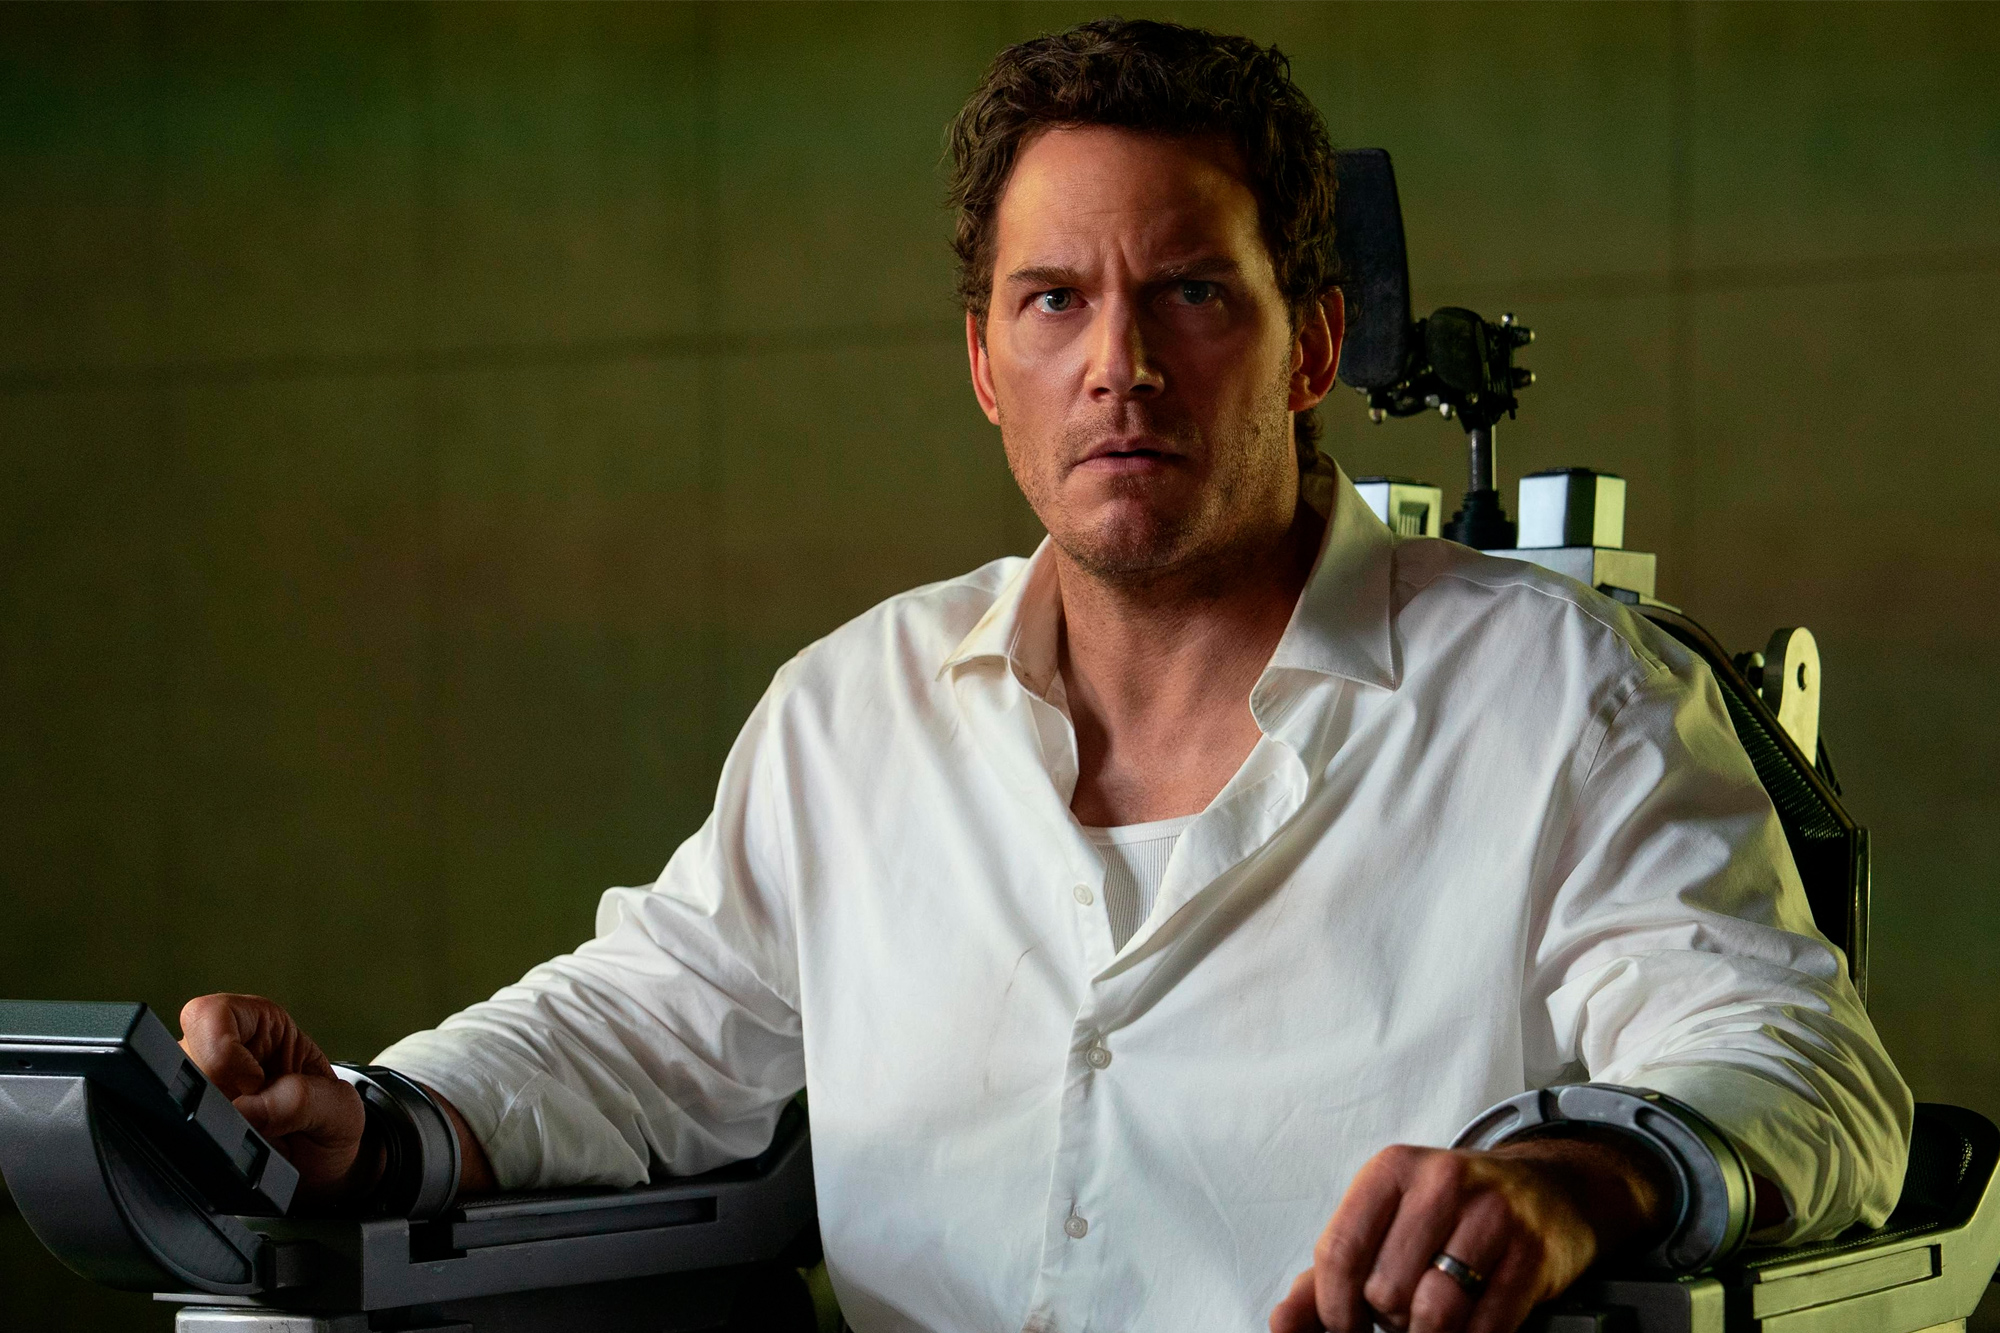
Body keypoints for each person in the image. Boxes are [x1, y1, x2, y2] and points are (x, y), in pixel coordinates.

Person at [176, 19, 1910, 1333]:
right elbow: (641, 1030)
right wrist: (368, 1118)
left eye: (1191, 293)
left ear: (1312, 342)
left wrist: (1573, 1176)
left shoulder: (1561, 696)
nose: (1121, 365)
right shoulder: (853, 714)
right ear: (985, 365)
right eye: (1055, 301)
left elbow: (1802, 1063)